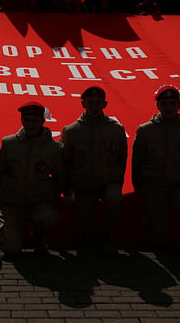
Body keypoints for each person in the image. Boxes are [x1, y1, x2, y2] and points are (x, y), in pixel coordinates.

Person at [131, 85, 180, 261]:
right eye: (164, 103)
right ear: (158, 106)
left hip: (179, 184)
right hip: (154, 186)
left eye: (172, 103)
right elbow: (137, 161)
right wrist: (139, 186)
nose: (168, 107)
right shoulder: (145, 131)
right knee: (160, 241)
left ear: (179, 105)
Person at [61, 87, 127, 256]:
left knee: (115, 198)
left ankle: (107, 238)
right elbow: (66, 162)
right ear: (83, 104)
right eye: (90, 103)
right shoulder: (72, 131)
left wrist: (117, 182)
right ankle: (88, 242)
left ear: (105, 104)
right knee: (86, 216)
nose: (94, 106)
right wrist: (68, 188)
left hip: (108, 182)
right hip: (84, 183)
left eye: (98, 103)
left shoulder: (116, 129)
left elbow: (122, 159)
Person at [0, 102, 64, 257]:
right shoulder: (9, 143)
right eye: (26, 120)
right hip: (13, 202)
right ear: (22, 121)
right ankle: (8, 228)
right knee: (11, 250)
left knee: (49, 217)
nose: (30, 124)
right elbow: (1, 172)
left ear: (42, 122)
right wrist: (0, 195)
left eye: (35, 120)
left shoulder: (54, 149)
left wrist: (51, 197)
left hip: (37, 202)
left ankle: (38, 233)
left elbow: (59, 176)